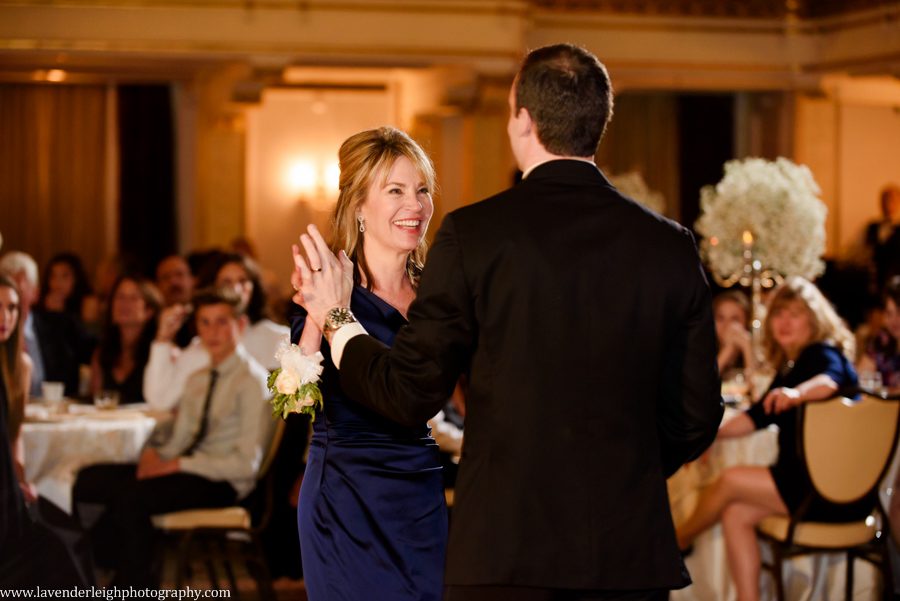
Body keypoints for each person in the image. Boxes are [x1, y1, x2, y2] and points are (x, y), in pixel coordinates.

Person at [292, 44, 723, 600]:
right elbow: (696, 413)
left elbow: (408, 393)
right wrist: (623, 470)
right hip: (629, 551)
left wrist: (335, 318)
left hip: (507, 547)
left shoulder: (474, 236)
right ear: (600, 121)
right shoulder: (670, 245)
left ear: (522, 121)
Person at [287, 126, 447, 599]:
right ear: (358, 205)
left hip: (420, 491)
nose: (414, 206)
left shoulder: (438, 293)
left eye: (421, 190)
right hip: (345, 496)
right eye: (395, 190)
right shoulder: (330, 284)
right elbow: (294, 400)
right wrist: (320, 311)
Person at [73, 287, 273, 586]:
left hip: (222, 481)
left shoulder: (253, 382)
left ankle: (134, 585)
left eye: (221, 322)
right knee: (88, 481)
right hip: (184, 467)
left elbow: (245, 466)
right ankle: (106, 565)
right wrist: (153, 453)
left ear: (240, 325)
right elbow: (176, 433)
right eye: (204, 322)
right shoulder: (198, 379)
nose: (212, 332)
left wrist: (175, 465)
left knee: (130, 499)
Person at [675, 276, 858, 601]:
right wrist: (708, 437)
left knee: (729, 480)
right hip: (828, 488)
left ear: (814, 320)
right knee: (736, 514)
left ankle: (678, 541)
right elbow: (753, 419)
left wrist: (796, 393)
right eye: (779, 313)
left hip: (827, 486)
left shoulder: (820, 354)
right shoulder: (793, 366)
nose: (784, 322)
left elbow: (829, 382)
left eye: (795, 314)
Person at [143, 253, 288, 411]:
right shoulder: (202, 347)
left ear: (253, 287)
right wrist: (163, 339)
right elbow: (159, 400)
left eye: (243, 281)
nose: (236, 289)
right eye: (227, 282)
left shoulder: (279, 339)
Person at [90, 274, 161, 404]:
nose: (124, 304)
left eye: (133, 298)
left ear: (149, 311)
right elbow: (96, 400)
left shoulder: (159, 352)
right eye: (120, 297)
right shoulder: (102, 353)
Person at [0, 276, 35, 503]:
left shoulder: (21, 365)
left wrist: (21, 481)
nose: (5, 317)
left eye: (12, 307)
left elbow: (15, 435)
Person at [859, 275, 900, 389]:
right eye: (889, 313)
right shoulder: (882, 341)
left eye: (899, 312)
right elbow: (862, 380)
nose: (894, 320)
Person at [866, 184, 900, 294]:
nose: (888, 204)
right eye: (884, 200)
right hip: (876, 279)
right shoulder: (873, 227)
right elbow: (868, 251)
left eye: (892, 200)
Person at [154, 254, 194, 348]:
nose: (173, 282)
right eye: (166, 277)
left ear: (192, 280)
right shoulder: (150, 324)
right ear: (157, 285)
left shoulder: (204, 318)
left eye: (179, 274)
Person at [713, 290, 753, 376]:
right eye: (720, 318)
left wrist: (747, 348)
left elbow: (757, 385)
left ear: (746, 322)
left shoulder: (758, 350)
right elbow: (702, 384)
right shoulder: (702, 350)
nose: (726, 325)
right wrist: (727, 350)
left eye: (734, 319)